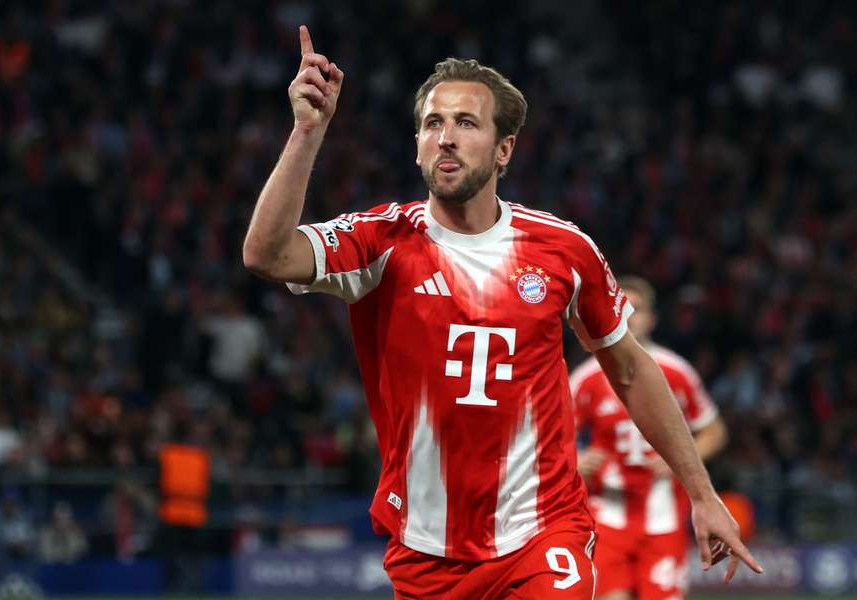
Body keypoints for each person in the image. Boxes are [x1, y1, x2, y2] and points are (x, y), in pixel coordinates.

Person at [242, 25, 762, 599]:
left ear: (503, 148)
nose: (446, 138)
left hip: (543, 535)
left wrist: (702, 494)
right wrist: (307, 133)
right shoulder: (380, 241)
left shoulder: (564, 251)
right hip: (426, 547)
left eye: (466, 123)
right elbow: (266, 255)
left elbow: (634, 372)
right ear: (416, 143)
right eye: (433, 124)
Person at [570, 276, 729, 600]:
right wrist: (575, 458)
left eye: (637, 308)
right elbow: (551, 436)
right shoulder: (587, 377)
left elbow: (715, 432)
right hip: (607, 515)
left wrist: (680, 459)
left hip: (663, 516)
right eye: (620, 306)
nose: (628, 315)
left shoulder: (677, 372)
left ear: (653, 319)